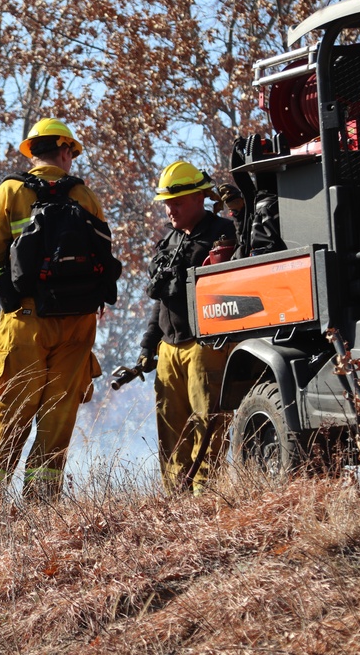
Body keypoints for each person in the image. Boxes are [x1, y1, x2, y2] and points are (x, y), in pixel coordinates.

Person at [0, 118, 107, 500]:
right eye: (71, 154)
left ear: (33, 152)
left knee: (10, 414)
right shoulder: (85, 196)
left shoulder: (11, 190)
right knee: (57, 419)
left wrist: (10, 293)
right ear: (64, 151)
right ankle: (42, 506)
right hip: (78, 324)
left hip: (26, 321)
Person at [133, 161, 236, 495]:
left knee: (208, 424)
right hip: (169, 347)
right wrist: (149, 346)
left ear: (199, 199)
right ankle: (177, 498)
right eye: (166, 203)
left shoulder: (225, 234)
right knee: (170, 428)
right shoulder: (170, 241)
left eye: (176, 202)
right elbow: (161, 299)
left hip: (206, 344)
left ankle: (205, 495)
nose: (169, 209)